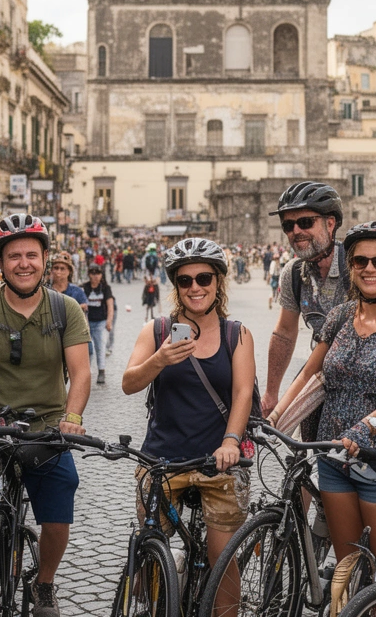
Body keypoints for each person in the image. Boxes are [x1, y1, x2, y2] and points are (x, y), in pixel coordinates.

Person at [0, 214, 91, 617]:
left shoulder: (65, 309)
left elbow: (80, 372)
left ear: (45, 260)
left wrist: (73, 417)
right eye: (14, 256)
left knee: (59, 508)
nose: (23, 264)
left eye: (31, 255)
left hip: (46, 431)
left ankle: (44, 583)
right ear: (1, 263)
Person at [271, 223, 376, 586]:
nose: (369, 268)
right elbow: (309, 374)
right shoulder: (340, 316)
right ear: (351, 266)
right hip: (333, 458)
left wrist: (364, 428)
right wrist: (274, 416)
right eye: (360, 260)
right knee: (348, 572)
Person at [122, 238, 255, 612]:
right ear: (176, 286)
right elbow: (129, 383)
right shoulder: (156, 331)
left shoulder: (237, 334)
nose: (195, 287)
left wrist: (231, 441)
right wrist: (160, 359)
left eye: (203, 278)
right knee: (150, 555)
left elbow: (243, 393)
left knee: (221, 561)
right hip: (162, 460)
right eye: (185, 280)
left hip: (219, 462)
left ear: (218, 282)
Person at [261, 181, 376, 417]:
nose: (296, 231)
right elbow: (284, 333)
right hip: (324, 376)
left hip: (373, 386)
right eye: (288, 225)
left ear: (330, 223)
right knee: (297, 435)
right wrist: (271, 393)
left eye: (305, 222)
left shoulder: (359, 263)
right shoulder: (293, 274)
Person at [81, 265, 115, 386]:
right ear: (89, 274)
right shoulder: (84, 287)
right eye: (93, 273)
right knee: (88, 348)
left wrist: (109, 321)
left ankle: (101, 371)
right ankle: (86, 372)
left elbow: (110, 305)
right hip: (86, 322)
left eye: (98, 274)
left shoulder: (105, 288)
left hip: (100, 322)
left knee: (100, 347)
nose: (95, 276)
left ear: (101, 275)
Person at [48, 251, 89, 316]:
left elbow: (84, 310)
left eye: (62, 269)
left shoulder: (77, 292)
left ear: (69, 271)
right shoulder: (46, 291)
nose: (58, 272)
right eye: (56, 268)